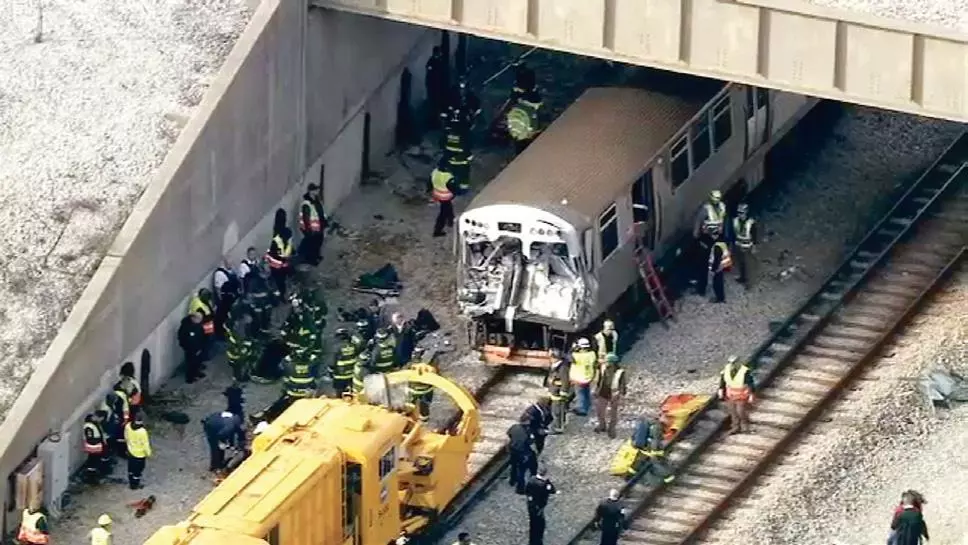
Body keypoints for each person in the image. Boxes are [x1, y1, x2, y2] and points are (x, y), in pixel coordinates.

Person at [692, 190, 727, 292]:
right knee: (716, 265)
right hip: (717, 238)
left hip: (707, 239)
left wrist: (696, 236)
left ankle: (702, 289)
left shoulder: (705, 209)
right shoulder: (722, 207)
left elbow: (698, 223)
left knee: (704, 264)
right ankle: (717, 292)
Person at [593, 354, 627, 438]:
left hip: (614, 393)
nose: (606, 363)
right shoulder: (603, 367)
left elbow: (622, 384)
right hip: (603, 392)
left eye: (607, 362)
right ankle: (602, 426)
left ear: (613, 363)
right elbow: (599, 377)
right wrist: (596, 390)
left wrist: (622, 393)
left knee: (613, 413)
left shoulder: (620, 372)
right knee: (600, 410)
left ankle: (611, 429)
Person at [719, 355, 755, 434]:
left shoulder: (744, 371)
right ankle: (735, 427)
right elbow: (723, 381)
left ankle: (745, 427)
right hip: (730, 395)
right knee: (733, 412)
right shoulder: (726, 369)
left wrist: (751, 395)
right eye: (731, 363)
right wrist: (721, 390)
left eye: (734, 362)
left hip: (741, 395)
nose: (732, 364)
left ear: (738, 362)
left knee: (740, 411)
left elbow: (750, 383)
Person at [525, 465, 557, 545]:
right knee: (539, 526)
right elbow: (552, 490)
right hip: (539, 506)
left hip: (531, 505)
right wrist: (548, 482)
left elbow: (527, 491)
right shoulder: (544, 484)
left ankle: (532, 541)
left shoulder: (531, 479)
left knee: (532, 524)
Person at [507, 414, 538, 494]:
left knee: (514, 466)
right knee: (522, 471)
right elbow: (531, 444)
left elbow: (509, 434)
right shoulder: (528, 431)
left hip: (513, 451)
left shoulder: (514, 427)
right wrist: (536, 452)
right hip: (524, 453)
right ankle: (521, 489)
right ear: (527, 421)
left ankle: (512, 481)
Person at [505, 88, 542, 154]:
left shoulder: (517, 109)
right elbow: (533, 126)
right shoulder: (530, 111)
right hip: (524, 139)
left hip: (520, 137)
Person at [729, 202, 758, 287]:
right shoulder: (735, 221)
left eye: (741, 213)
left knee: (748, 265)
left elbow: (754, 234)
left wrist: (754, 246)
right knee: (741, 263)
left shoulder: (751, 222)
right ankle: (742, 278)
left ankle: (749, 283)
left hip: (747, 247)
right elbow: (733, 234)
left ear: (746, 212)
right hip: (738, 245)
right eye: (738, 212)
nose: (739, 214)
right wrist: (731, 245)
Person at [298, 183, 327, 266]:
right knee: (312, 244)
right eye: (315, 190)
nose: (317, 191)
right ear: (311, 191)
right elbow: (306, 218)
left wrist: (324, 222)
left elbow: (320, 212)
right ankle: (312, 259)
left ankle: (316, 257)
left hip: (319, 227)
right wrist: (309, 230)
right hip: (312, 229)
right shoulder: (306, 204)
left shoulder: (316, 201)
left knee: (318, 242)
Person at [569, 338, 597, 416]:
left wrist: (572, 348)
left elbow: (569, 356)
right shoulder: (592, 354)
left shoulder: (577, 356)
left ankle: (581, 409)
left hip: (579, 378)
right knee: (586, 392)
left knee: (580, 394)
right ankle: (587, 406)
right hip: (588, 377)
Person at [544, 349, 570, 434]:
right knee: (555, 410)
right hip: (554, 391)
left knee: (557, 411)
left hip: (558, 393)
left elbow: (565, 381)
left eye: (550, 356)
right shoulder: (555, 365)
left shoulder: (562, 368)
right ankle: (559, 424)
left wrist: (563, 392)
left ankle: (557, 428)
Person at [407, 348, 436, 422]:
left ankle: (408, 418)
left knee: (410, 405)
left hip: (413, 390)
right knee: (424, 406)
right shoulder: (430, 368)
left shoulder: (412, 366)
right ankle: (424, 419)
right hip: (426, 391)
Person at [81, 413, 111, 484]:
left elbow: (86, 437)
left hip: (90, 446)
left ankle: (91, 476)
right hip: (96, 446)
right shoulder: (94, 425)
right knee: (94, 461)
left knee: (92, 460)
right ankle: (92, 478)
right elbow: (99, 435)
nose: (96, 418)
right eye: (94, 417)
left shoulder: (86, 426)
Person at [265, 227, 294, 299]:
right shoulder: (277, 244)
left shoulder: (281, 241)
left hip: (281, 266)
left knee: (288, 277)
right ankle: (281, 296)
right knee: (280, 283)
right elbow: (279, 257)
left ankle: (286, 292)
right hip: (276, 268)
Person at [431, 159, 457, 238]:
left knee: (448, 207)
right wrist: (455, 193)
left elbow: (430, 182)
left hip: (437, 193)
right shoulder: (448, 176)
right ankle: (437, 231)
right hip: (445, 196)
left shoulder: (435, 172)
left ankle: (451, 221)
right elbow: (452, 187)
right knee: (443, 213)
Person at [178, 311, 207, 383]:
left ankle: (196, 372)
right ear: (193, 318)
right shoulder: (186, 326)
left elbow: (202, 334)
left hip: (198, 347)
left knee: (198, 362)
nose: (200, 321)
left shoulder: (198, 325)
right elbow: (183, 338)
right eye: (199, 319)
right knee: (191, 363)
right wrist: (188, 348)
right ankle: (190, 378)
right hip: (190, 349)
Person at [124, 415, 151, 489]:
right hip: (140, 455)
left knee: (131, 469)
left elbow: (126, 437)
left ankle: (131, 482)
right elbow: (145, 444)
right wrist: (148, 454)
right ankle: (135, 485)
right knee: (138, 471)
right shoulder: (142, 431)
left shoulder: (128, 426)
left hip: (130, 451)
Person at [188, 288, 217, 355]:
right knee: (208, 340)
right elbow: (208, 316)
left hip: (201, 323)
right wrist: (213, 313)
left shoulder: (197, 300)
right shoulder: (200, 306)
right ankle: (206, 354)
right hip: (204, 325)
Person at [331, 328, 358, 397]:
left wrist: (331, 371)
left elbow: (332, 362)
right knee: (351, 394)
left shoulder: (337, 347)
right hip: (351, 374)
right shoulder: (353, 345)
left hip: (340, 375)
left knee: (339, 395)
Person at [424, 46, 447, 127]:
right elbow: (430, 74)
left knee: (438, 105)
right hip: (433, 87)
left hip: (438, 87)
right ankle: (433, 121)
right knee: (433, 105)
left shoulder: (440, 62)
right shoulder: (431, 62)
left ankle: (436, 121)